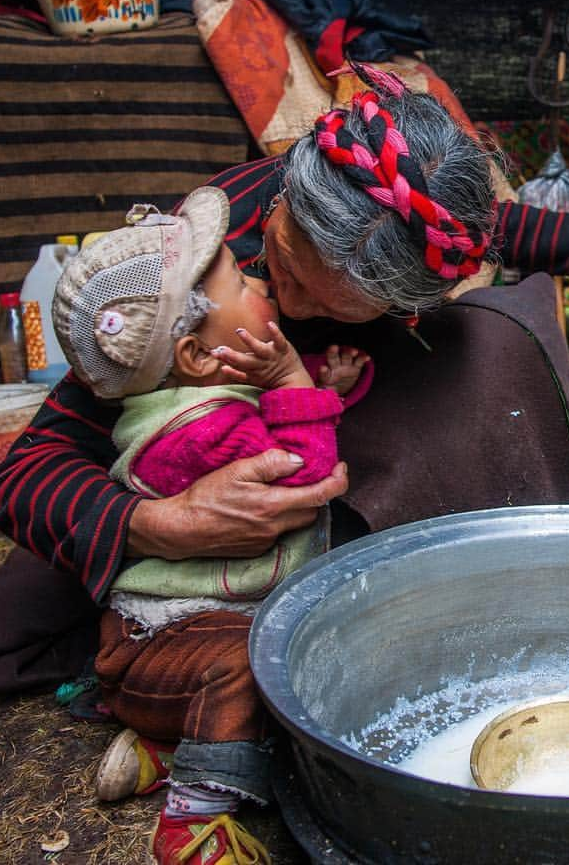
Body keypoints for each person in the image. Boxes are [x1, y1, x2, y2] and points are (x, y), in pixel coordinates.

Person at [0, 68, 569, 851]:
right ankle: (188, 703)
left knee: (495, 357)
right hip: (190, 478)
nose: (284, 306)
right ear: (282, 202)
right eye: (280, 269)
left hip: (329, 427)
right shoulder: (189, 268)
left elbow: (477, 225)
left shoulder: (405, 252)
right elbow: (27, 470)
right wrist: (162, 524)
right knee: (5, 630)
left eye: (327, 306)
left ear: (403, 305)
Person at [51, 184, 373, 862]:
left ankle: (163, 743)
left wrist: (319, 385)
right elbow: (304, 470)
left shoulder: (198, 395)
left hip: (170, 647)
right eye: (240, 281)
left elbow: (253, 407)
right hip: (160, 649)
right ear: (198, 357)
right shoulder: (196, 434)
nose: (260, 282)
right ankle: (194, 820)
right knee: (252, 662)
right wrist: (291, 382)